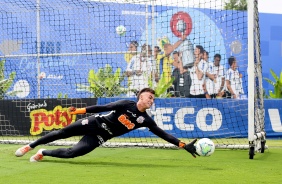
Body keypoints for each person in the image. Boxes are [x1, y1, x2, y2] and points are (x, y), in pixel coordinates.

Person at [15, 88, 199, 162]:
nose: (152, 100)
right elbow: (102, 107)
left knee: (73, 153)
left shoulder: (147, 120)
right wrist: (78, 112)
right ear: (141, 97)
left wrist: (183, 145)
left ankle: (42, 153)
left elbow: (163, 134)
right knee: (62, 133)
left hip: (101, 136)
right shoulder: (126, 104)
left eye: (153, 98)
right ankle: (29, 146)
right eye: (149, 96)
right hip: (95, 122)